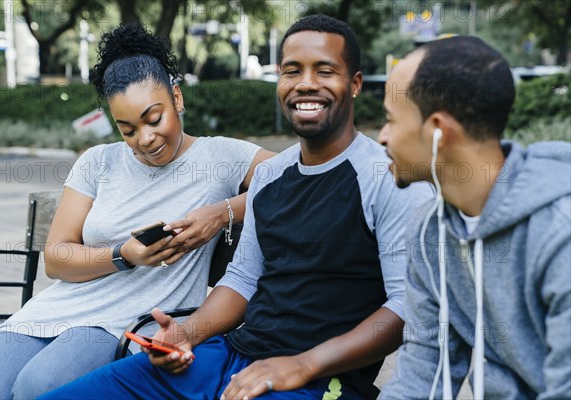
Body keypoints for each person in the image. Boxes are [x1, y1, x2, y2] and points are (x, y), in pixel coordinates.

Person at [39, 15, 433, 400]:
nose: (306, 84)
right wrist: (186, 334)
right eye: (292, 71)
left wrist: (303, 365)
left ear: (355, 84)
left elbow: (405, 306)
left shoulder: (388, 178)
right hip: (230, 354)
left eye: (325, 71)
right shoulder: (270, 177)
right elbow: (243, 279)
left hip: (322, 378)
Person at [0, 23, 274, 399]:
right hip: (57, 307)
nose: (144, 139)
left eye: (154, 118)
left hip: (130, 321)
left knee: (40, 386)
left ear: (177, 98)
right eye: (127, 129)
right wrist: (122, 255)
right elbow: (57, 257)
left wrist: (222, 212)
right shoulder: (98, 161)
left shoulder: (221, 156)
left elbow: (298, 179)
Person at [377, 36, 570, 399]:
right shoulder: (428, 231)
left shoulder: (559, 230)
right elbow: (422, 372)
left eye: (389, 120)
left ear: (437, 131)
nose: (383, 136)